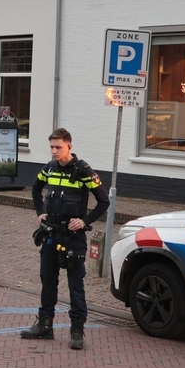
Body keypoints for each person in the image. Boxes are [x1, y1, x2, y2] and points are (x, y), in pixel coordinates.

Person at [21, 127, 109, 350]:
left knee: (75, 285)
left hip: (73, 237)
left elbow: (103, 201)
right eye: (51, 147)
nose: (54, 151)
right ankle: (45, 326)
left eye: (58, 147)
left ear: (69, 146)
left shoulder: (83, 170)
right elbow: (35, 188)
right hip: (51, 233)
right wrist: (40, 211)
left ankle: (77, 331)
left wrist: (85, 221)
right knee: (47, 281)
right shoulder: (50, 168)